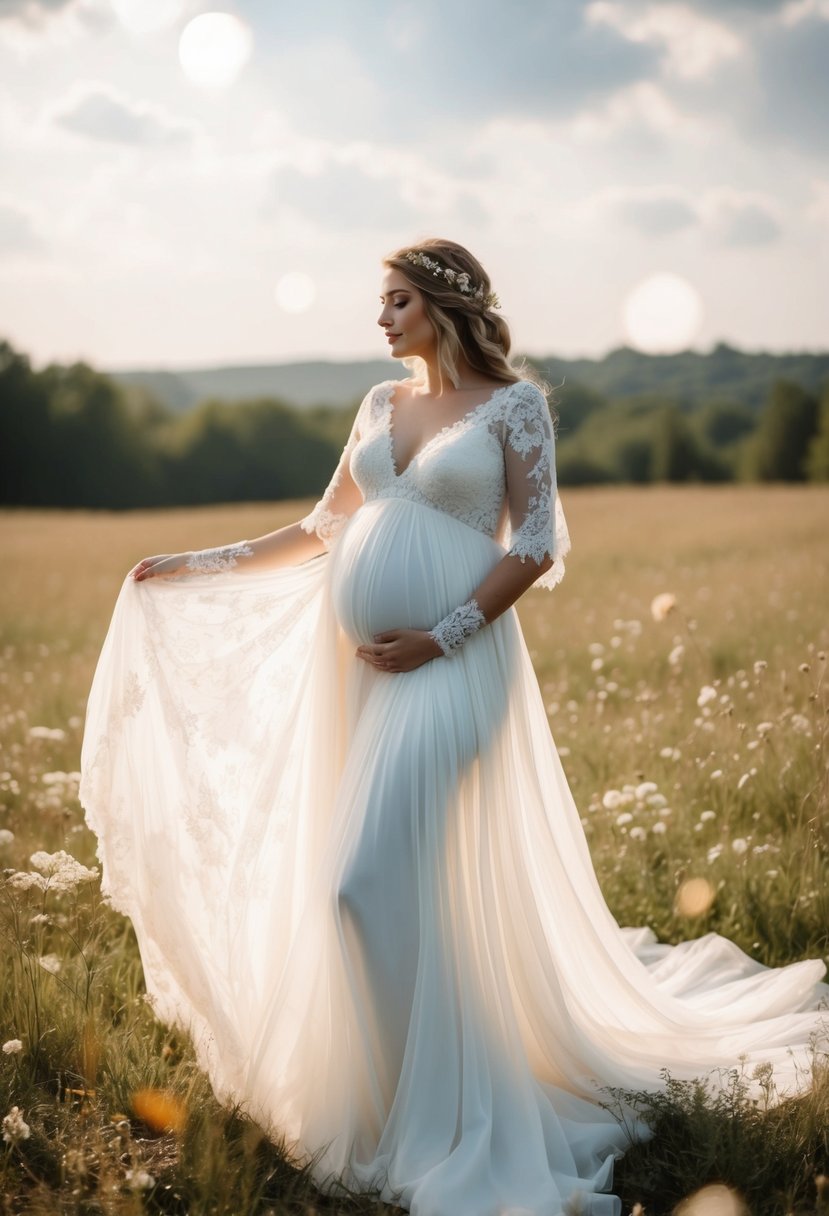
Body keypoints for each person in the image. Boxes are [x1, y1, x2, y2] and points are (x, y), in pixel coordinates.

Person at [80, 238, 828, 1216]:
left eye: (396, 300)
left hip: (454, 670)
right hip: (360, 680)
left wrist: (441, 634)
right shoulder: (378, 407)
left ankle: (439, 1119)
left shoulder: (514, 409)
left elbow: (534, 542)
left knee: (358, 883)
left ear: (441, 304)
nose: (380, 318)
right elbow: (317, 529)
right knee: (390, 888)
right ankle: (398, 1092)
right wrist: (190, 562)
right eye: (379, 301)